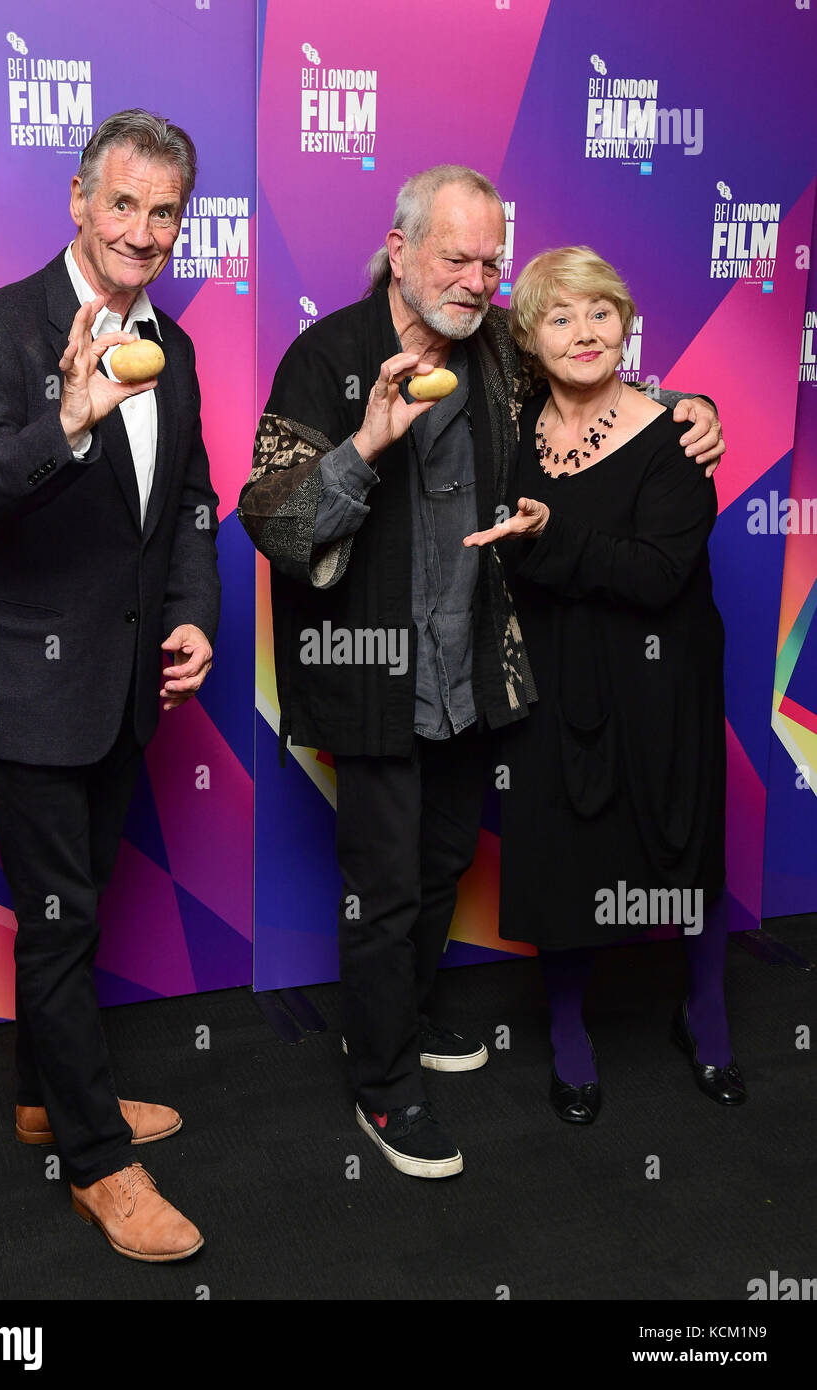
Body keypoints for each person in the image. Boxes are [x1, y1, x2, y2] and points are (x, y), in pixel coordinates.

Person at [239, 167, 724, 1177]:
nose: (473, 277)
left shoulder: (498, 348)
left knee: (436, 865)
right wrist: (366, 441)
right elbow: (271, 521)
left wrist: (691, 405)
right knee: (378, 888)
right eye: (453, 256)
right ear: (400, 247)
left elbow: (594, 374)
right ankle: (381, 1088)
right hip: (368, 672)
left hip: (472, 674)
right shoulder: (323, 356)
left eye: (489, 259)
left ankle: (400, 1022)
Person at [0, 109, 220, 1259]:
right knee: (58, 924)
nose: (141, 232)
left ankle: (45, 1094)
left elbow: (189, 501)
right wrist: (64, 420)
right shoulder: (0, 328)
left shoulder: (178, 347)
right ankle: (97, 1161)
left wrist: (194, 613)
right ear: (78, 201)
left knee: (72, 912)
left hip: (124, 687)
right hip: (27, 687)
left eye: (164, 213)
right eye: (122, 204)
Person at [465, 245, 744, 1124]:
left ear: (626, 324)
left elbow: (660, 573)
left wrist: (549, 541)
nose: (584, 332)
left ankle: (706, 1015)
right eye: (560, 316)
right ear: (529, 340)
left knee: (681, 844)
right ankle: (568, 1034)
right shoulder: (512, 429)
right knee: (563, 852)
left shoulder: (676, 437)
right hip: (553, 677)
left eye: (600, 313)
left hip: (663, 686)